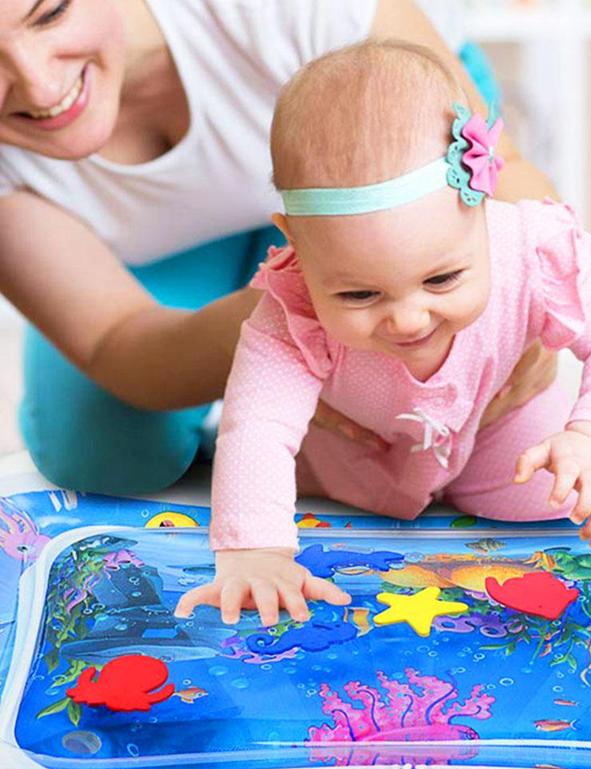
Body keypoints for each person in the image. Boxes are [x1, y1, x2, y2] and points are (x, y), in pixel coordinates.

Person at [174, 41, 591, 627]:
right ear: (297, 245)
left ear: (483, 206)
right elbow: (258, 424)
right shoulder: (293, 308)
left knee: (561, 509)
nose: (409, 319)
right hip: (353, 457)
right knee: (299, 504)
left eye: (442, 279)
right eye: (359, 295)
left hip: (502, 428)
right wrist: (256, 549)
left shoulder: (534, 248)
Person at [0, 0, 556, 495]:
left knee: (472, 430)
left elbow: (506, 171)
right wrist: (275, 347)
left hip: (370, 187)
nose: (41, 88)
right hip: (160, 251)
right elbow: (114, 340)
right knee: (101, 455)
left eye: (50, 13)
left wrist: (527, 305)